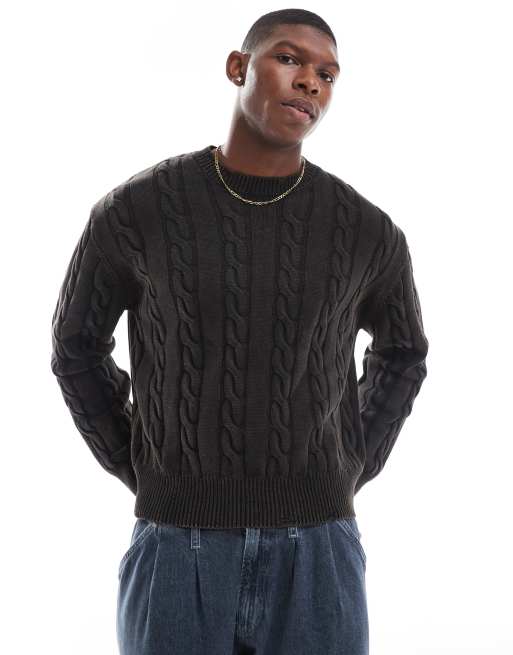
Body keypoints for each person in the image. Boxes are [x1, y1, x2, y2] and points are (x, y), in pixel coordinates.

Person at [50, 8, 429, 655]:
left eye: (328, 74)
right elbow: (76, 346)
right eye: (289, 59)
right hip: (176, 547)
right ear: (238, 67)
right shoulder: (138, 211)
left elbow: (404, 352)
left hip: (319, 552)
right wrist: (138, 459)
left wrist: (351, 462)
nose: (309, 82)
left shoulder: (365, 230)